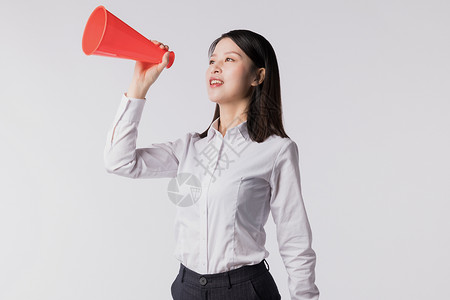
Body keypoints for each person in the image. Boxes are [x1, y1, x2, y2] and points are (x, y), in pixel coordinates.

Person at [104, 29, 320, 300]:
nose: (215, 68)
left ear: (258, 76)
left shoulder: (276, 150)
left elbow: (294, 237)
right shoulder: (190, 148)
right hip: (187, 288)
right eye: (211, 61)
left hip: (245, 290)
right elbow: (119, 161)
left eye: (229, 60)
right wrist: (139, 85)